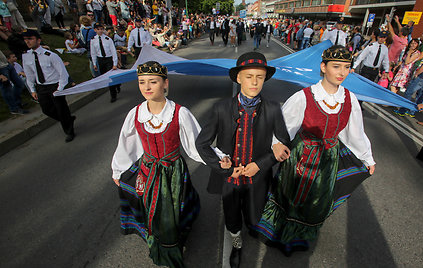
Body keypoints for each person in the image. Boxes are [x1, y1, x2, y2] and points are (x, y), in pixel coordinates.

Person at [252, 45, 375, 255]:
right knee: (290, 196)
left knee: (316, 199)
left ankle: (298, 236)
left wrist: (367, 158)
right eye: (336, 66)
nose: (342, 72)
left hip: (328, 158)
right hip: (301, 157)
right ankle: (280, 234)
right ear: (323, 67)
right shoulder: (303, 97)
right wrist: (277, 144)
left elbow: (354, 133)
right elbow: (284, 127)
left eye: (346, 67)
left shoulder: (349, 99)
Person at [196, 52, 290, 268]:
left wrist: (261, 163)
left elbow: (284, 143)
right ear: (238, 78)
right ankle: (236, 242)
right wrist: (222, 167)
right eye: (248, 76)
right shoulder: (221, 108)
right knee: (231, 214)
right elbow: (202, 143)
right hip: (230, 178)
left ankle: (255, 227)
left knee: (255, 215)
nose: (254, 82)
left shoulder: (273, 108)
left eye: (259, 76)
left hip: (258, 177)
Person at [112, 61, 209, 268]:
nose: (146, 87)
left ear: (165, 84)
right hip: (147, 170)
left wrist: (219, 159)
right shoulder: (136, 113)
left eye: (153, 82)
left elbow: (196, 144)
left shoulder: (179, 113)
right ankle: (157, 243)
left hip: (173, 171)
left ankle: (173, 246)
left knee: (173, 210)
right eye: (142, 82)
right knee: (151, 208)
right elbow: (127, 143)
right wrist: (119, 169)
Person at [22, 29, 76, 142]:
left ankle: (69, 131)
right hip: (41, 87)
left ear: (38, 40)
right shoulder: (26, 56)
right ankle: (67, 120)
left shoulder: (50, 55)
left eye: (30, 39)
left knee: (61, 109)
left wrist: (59, 89)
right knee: (46, 110)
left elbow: (63, 73)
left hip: (54, 85)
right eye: (26, 39)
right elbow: (29, 74)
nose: (28, 42)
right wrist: (32, 89)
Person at [90, 23, 120, 102]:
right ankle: (117, 84)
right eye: (98, 29)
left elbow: (113, 52)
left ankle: (113, 95)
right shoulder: (93, 40)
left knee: (110, 77)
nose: (100, 31)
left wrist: (115, 64)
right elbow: (93, 53)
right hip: (100, 60)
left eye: (101, 29)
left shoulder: (108, 39)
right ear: (95, 30)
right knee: (106, 78)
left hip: (108, 59)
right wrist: (94, 63)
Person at [0, 50, 27, 114]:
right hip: (1, 69)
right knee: (6, 89)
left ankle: (18, 103)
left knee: (19, 84)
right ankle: (14, 108)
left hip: (6, 64)